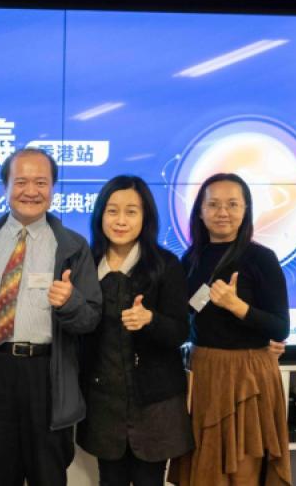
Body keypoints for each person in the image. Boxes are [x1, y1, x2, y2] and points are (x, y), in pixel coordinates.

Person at [0, 147, 102, 486]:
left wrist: (70, 302)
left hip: (48, 375)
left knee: (49, 476)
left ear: (53, 187)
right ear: (5, 187)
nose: (31, 191)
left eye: (41, 182)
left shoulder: (73, 247)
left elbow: (91, 318)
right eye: (21, 182)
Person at [170, 173, 291, 485]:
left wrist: (238, 307)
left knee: (242, 471)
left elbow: (280, 326)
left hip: (247, 376)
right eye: (213, 204)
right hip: (203, 372)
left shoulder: (261, 258)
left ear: (245, 210)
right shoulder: (191, 259)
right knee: (204, 467)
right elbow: (186, 316)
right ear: (200, 211)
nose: (222, 212)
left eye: (232, 204)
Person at [76, 175, 193, 485]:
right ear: (100, 215)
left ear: (146, 217)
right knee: (109, 479)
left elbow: (181, 331)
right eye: (112, 211)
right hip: (103, 402)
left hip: (154, 404)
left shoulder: (166, 265)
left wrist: (150, 320)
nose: (121, 220)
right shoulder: (85, 264)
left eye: (131, 211)